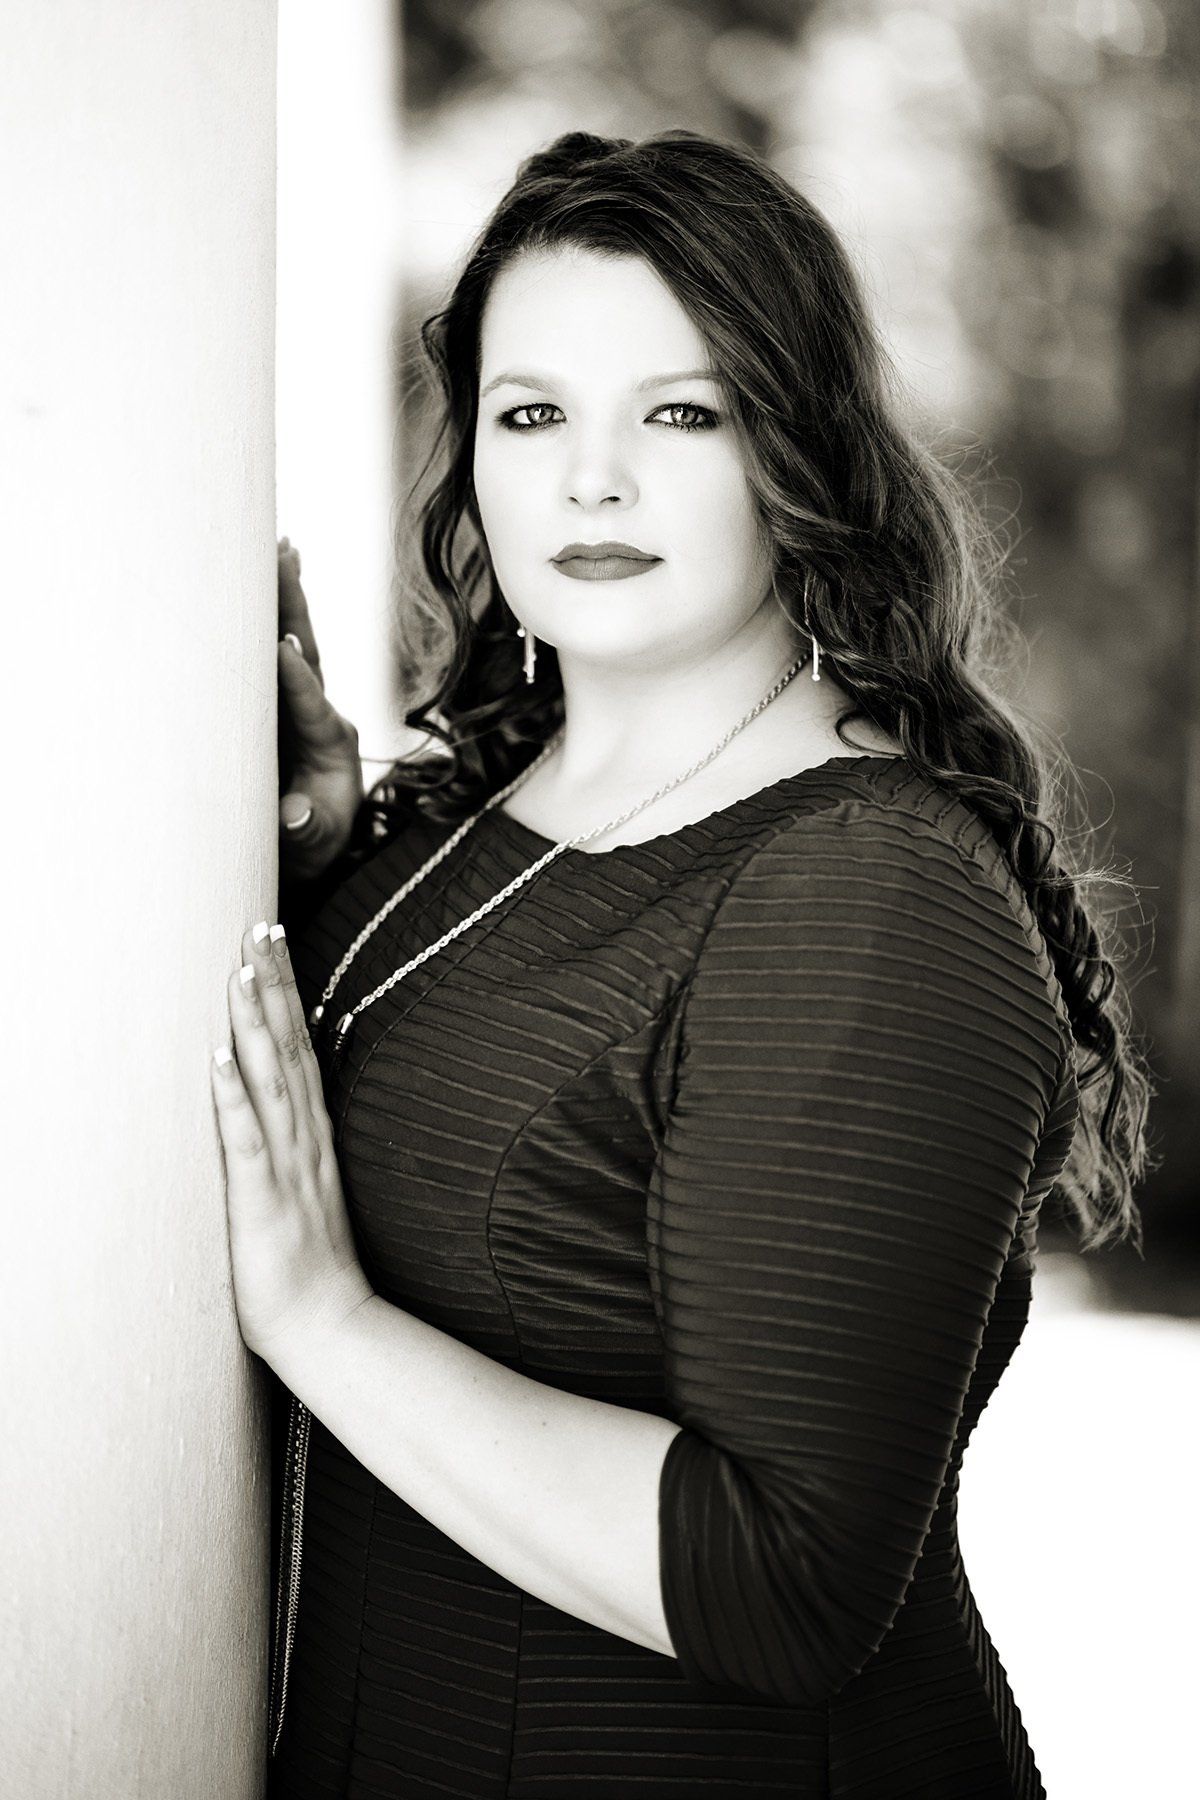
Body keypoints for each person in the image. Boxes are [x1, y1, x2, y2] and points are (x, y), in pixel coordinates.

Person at [213, 130, 1149, 1799]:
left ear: (796, 448)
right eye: (533, 413)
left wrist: (320, 1318)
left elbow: (787, 1584)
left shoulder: (865, 895)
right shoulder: (468, 819)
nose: (592, 481)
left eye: (679, 412)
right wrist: (311, 865)